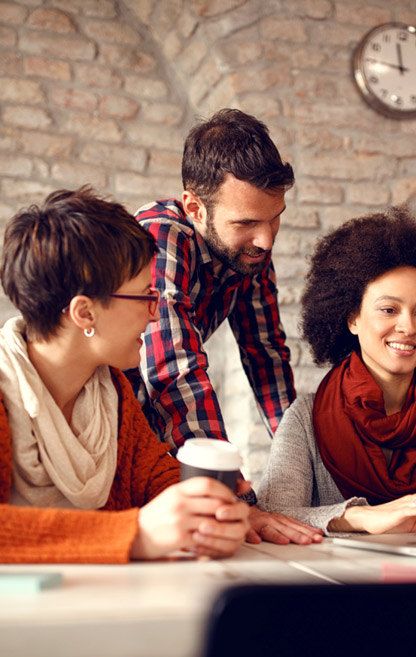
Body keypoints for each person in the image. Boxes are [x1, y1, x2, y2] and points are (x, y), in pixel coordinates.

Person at [0, 187, 250, 563]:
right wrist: (131, 535)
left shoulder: (113, 398)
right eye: (145, 297)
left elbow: (160, 483)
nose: (155, 314)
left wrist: (214, 510)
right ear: (84, 313)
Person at [130, 109, 322, 546]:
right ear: (195, 207)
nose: (267, 240)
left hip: (163, 436)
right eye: (246, 223)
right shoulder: (160, 236)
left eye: (275, 217)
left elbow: (267, 358)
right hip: (116, 426)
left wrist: (306, 467)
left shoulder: (249, 252)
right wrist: (232, 493)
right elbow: (173, 370)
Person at [257, 208, 416, 534]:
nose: (408, 326)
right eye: (389, 309)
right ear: (352, 318)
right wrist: (358, 517)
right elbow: (272, 515)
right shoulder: (305, 419)